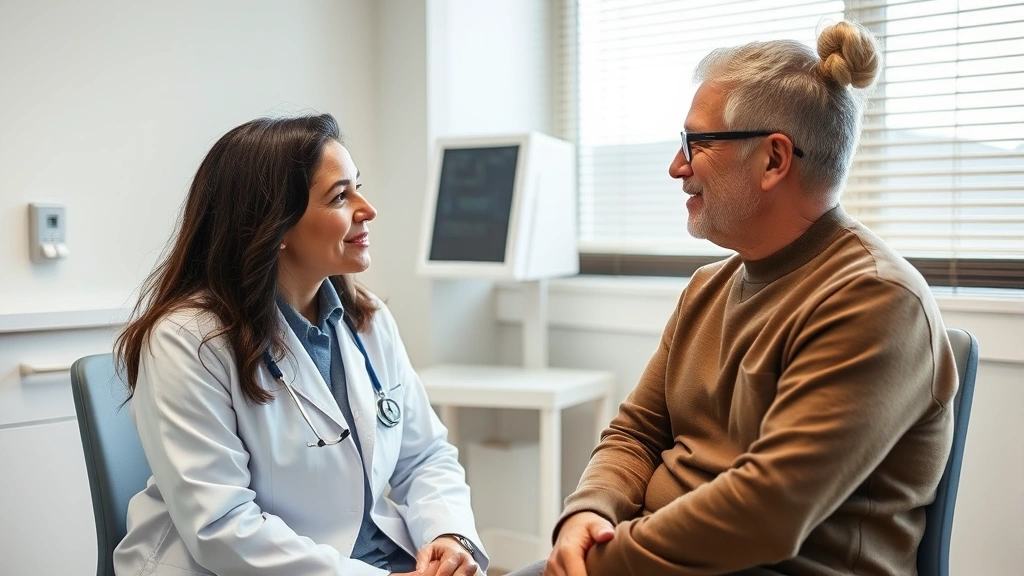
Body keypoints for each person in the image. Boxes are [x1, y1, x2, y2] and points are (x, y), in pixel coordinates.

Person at [514, 20, 959, 576]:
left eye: (696, 143)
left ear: (773, 160)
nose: (677, 167)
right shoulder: (708, 287)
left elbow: (766, 512)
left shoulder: (874, 300)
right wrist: (588, 512)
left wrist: (599, 561)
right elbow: (636, 433)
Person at [113, 113, 487, 576]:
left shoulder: (366, 319)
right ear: (275, 226)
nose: (367, 209)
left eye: (357, 187)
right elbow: (223, 527)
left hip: (377, 559)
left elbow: (425, 457)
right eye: (340, 196)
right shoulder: (188, 341)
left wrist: (449, 536)